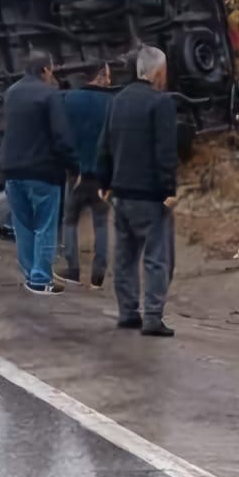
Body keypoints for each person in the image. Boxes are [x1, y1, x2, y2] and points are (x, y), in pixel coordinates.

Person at [97, 45, 179, 337]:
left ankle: (128, 311)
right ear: (158, 72)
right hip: (150, 194)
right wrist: (169, 189)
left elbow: (105, 144)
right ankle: (153, 316)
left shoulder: (117, 101)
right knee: (157, 256)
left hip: (121, 192)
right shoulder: (161, 103)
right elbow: (165, 151)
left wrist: (104, 183)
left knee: (125, 255)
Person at [0, 51, 78, 295]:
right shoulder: (49, 94)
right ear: (45, 70)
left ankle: (29, 273)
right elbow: (61, 137)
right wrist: (75, 166)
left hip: (12, 170)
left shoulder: (11, 93)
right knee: (45, 224)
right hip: (42, 170)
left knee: (23, 225)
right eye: (51, 70)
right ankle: (40, 279)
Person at [59, 63, 113, 287]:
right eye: (108, 75)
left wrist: (71, 167)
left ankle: (72, 268)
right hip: (101, 175)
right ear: (99, 76)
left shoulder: (70, 100)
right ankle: (98, 272)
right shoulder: (112, 103)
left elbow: (63, 136)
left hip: (76, 174)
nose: (110, 81)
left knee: (69, 220)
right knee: (101, 222)